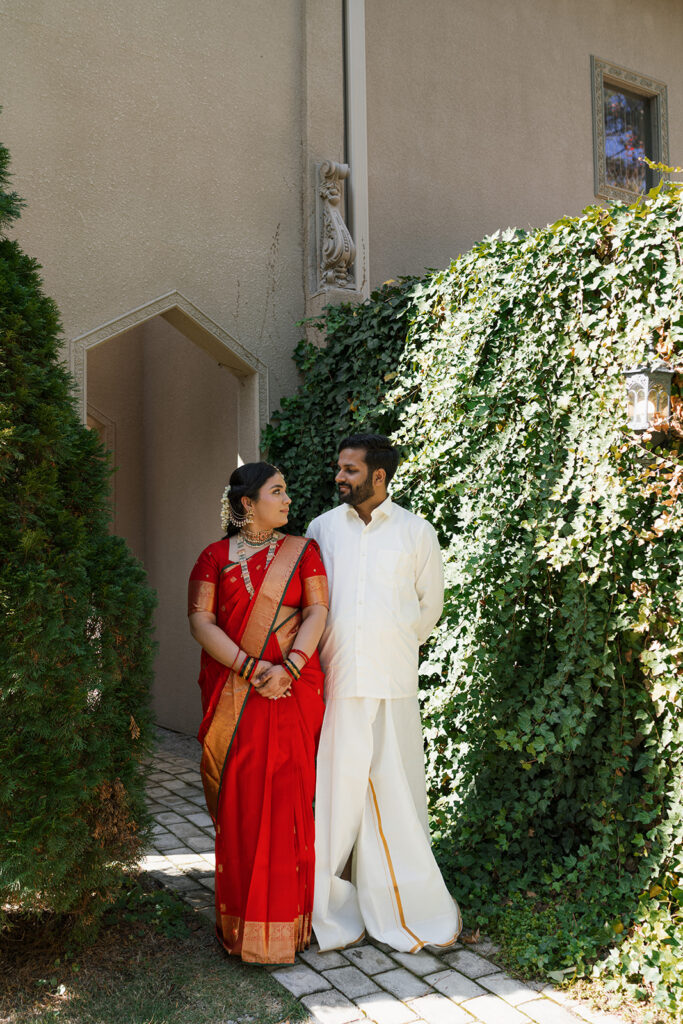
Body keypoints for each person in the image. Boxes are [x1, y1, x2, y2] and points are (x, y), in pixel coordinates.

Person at [307, 434, 461, 952]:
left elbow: (429, 606)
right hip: (339, 683)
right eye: (340, 467)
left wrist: (390, 644)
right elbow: (313, 604)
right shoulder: (322, 529)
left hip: (394, 683)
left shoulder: (417, 532)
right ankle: (326, 909)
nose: (340, 477)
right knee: (335, 796)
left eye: (349, 469)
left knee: (397, 792)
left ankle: (406, 903)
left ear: (379, 476)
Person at [187, 462, 328, 964]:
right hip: (237, 696)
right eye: (277, 491)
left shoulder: (303, 553)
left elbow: (318, 612)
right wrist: (250, 666)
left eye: (286, 491)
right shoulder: (212, 559)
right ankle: (243, 926)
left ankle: (289, 926)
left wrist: (290, 666)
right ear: (247, 503)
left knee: (290, 802)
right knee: (243, 806)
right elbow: (201, 622)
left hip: (293, 693)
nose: (288, 500)